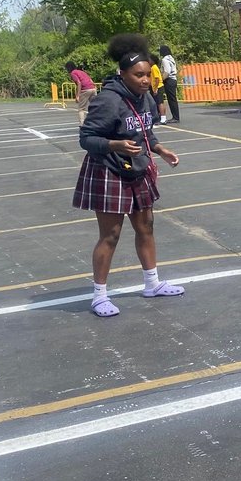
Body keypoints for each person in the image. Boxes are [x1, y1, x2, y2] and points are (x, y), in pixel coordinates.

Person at [74, 33, 184, 318]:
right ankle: (99, 296)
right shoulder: (108, 100)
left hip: (138, 169)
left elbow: (145, 130)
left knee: (146, 227)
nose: (145, 80)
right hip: (109, 170)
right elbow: (86, 138)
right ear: (122, 74)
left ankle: (152, 284)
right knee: (110, 235)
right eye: (138, 75)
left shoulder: (145, 98)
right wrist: (114, 144)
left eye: (148, 74)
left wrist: (160, 149)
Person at [67, 61, 97, 126]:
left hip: (85, 89)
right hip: (92, 88)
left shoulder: (73, 73)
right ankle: (97, 121)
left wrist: (77, 96)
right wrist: (94, 87)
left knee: (81, 108)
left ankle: (82, 124)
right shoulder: (81, 71)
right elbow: (90, 80)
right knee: (95, 106)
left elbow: (79, 83)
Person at [158, 44, 180, 123]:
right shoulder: (171, 58)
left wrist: (161, 80)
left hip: (169, 80)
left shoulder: (164, 60)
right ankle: (176, 116)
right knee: (173, 99)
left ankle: (175, 117)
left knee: (171, 100)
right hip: (174, 79)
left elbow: (167, 72)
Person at [149, 55, 168, 123]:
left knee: (160, 103)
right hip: (155, 87)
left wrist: (155, 88)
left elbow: (157, 79)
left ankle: (163, 118)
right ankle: (160, 117)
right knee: (158, 102)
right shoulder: (152, 68)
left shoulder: (154, 68)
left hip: (158, 86)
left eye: (149, 60)